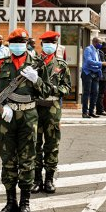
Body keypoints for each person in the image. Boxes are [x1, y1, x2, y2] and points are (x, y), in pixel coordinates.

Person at [0, 28, 49, 212]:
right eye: (15, 42)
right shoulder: (0, 64)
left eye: (22, 41)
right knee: (8, 160)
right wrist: (2, 109)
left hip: (29, 116)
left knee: (28, 160)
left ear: (27, 43)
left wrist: (36, 80)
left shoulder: (36, 65)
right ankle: (10, 201)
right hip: (7, 118)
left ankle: (25, 203)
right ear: (9, 45)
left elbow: (46, 91)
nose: (18, 45)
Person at [32, 31, 71, 194]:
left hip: (53, 108)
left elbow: (67, 87)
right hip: (34, 107)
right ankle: (36, 179)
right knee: (34, 144)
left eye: (53, 43)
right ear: (42, 45)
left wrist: (55, 89)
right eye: (47, 42)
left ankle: (49, 178)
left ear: (56, 45)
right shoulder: (33, 63)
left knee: (52, 144)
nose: (50, 45)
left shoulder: (61, 64)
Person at [81, 37, 105, 118]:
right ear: (95, 42)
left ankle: (91, 112)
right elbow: (88, 61)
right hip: (88, 73)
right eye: (100, 43)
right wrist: (101, 63)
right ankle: (85, 112)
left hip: (96, 73)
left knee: (95, 93)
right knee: (87, 93)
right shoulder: (88, 49)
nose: (100, 44)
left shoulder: (97, 51)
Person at [96, 42, 106, 116]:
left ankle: (102, 109)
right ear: (103, 48)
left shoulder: (104, 54)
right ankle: (100, 110)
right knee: (101, 94)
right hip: (103, 77)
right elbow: (103, 65)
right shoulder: (101, 53)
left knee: (103, 94)